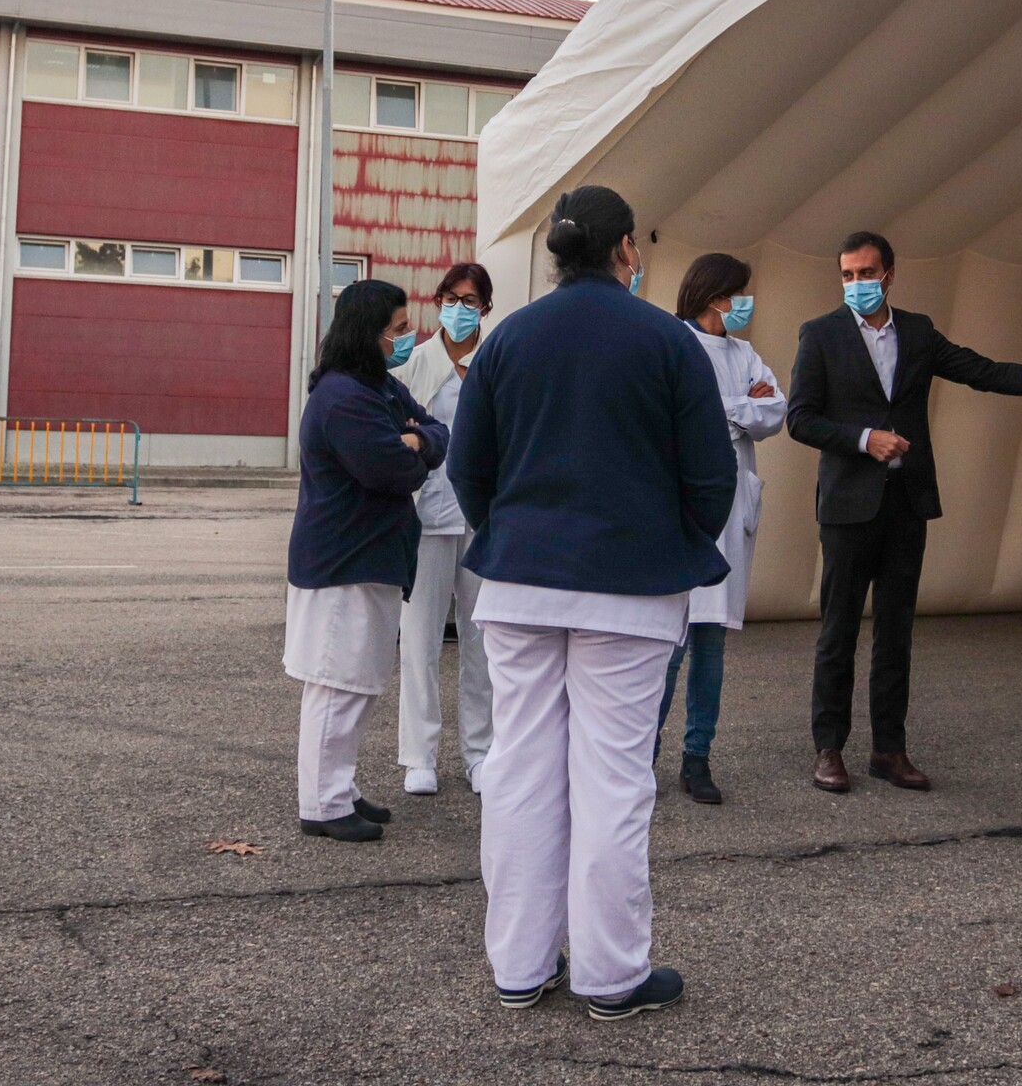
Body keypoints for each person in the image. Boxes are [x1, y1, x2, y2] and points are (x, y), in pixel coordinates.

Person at [448, 184, 735, 1020]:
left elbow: (470, 467)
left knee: (520, 773)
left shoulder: (508, 339)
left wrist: (509, 536)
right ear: (626, 252)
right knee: (612, 780)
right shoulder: (667, 340)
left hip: (517, 581)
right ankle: (611, 976)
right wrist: (673, 543)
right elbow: (710, 475)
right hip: (631, 589)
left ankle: (519, 966)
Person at [787, 230, 1022, 795]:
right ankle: (828, 749)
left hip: (906, 502)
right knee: (838, 630)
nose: (857, 284)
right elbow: (800, 418)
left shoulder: (916, 330)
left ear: (889, 273)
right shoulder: (819, 335)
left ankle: (890, 749)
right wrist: (865, 439)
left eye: (866, 273)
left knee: (896, 631)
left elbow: (981, 371)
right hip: (847, 506)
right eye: (847, 275)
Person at [284, 278, 449, 843]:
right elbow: (389, 471)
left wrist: (417, 440)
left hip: (371, 556)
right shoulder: (343, 398)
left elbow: (437, 431)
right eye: (397, 330)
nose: (405, 339)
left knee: (359, 681)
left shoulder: (376, 387)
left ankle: (340, 786)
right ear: (367, 332)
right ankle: (324, 804)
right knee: (337, 682)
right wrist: (411, 448)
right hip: (343, 561)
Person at [657, 251, 786, 805]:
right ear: (716, 296)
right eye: (740, 293)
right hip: (679, 512)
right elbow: (673, 415)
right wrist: (739, 407)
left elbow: (777, 411)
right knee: (668, 645)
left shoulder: (745, 353)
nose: (745, 304)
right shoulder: (672, 343)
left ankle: (697, 757)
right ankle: (640, 756)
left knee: (711, 642)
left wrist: (723, 409)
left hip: (732, 511)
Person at [396, 262, 496, 796]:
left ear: (486, 308)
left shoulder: (495, 363)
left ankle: (480, 753)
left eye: (472, 300)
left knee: (483, 641)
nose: (461, 308)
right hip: (426, 517)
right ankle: (419, 756)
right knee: (420, 641)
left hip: (481, 518)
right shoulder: (415, 365)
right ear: (439, 302)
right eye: (453, 298)